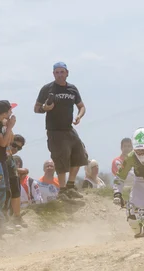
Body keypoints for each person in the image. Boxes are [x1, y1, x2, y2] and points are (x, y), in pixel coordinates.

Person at [34, 61, 87, 200]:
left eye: (62, 72)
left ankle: (70, 186)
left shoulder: (72, 89)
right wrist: (45, 109)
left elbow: (82, 106)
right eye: (57, 72)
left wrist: (79, 116)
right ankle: (62, 190)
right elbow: (36, 108)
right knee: (61, 158)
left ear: (67, 73)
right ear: (53, 74)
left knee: (80, 154)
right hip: (54, 130)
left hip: (69, 128)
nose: (59, 75)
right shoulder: (47, 88)